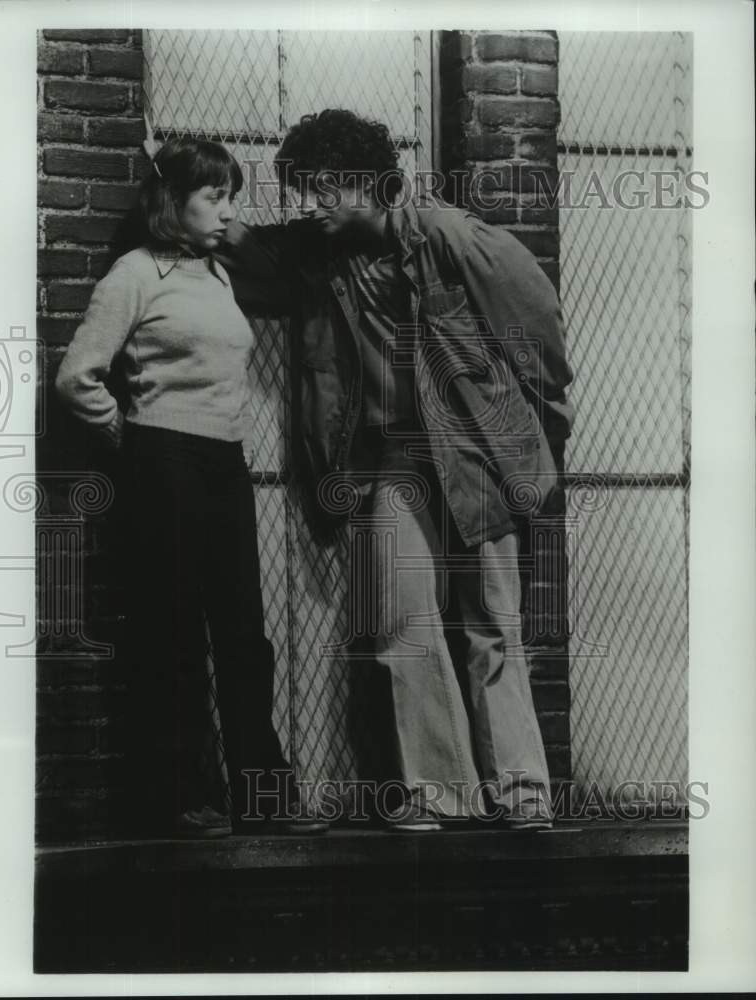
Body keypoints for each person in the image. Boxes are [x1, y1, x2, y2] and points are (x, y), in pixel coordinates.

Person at [218, 109, 574, 831]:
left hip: (475, 449)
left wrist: (536, 434)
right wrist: (181, 204)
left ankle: (522, 791)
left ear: (367, 184)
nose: (309, 207)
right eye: (301, 193)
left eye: (323, 191)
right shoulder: (322, 255)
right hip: (389, 461)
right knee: (400, 624)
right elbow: (245, 253)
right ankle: (436, 791)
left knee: (493, 624)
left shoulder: (449, 235)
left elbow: (537, 325)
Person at [55, 137, 327, 837]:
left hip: (224, 464)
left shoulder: (221, 274)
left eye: (230, 195)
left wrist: (230, 230)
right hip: (163, 462)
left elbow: (296, 291)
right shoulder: (133, 274)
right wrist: (136, 439)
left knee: (244, 638)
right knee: (172, 636)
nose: (228, 208)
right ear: (173, 202)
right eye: (215, 196)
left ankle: (264, 798)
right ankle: (183, 797)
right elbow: (77, 376)